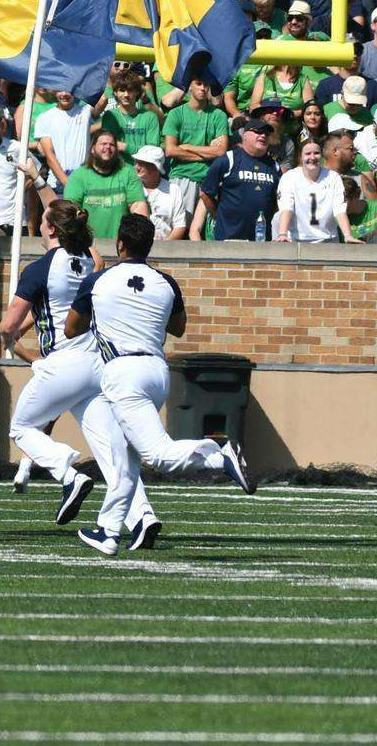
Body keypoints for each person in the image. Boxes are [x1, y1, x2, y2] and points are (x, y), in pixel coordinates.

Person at [69, 214, 255, 555]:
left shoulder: (98, 281)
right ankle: (109, 531)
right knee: (124, 457)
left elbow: (71, 329)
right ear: (150, 245)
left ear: (120, 244)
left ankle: (219, 455)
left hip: (123, 372)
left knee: (157, 454)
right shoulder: (166, 282)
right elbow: (179, 328)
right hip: (156, 371)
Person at [0, 200, 158, 539]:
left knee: (22, 427)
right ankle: (142, 517)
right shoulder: (90, 262)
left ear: (51, 229)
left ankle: (68, 474)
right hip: (97, 364)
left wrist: (8, 338)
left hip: (64, 363)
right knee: (110, 449)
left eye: (45, 222)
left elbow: (9, 323)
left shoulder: (40, 268)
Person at [199, 118, 281, 240]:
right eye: (258, 131)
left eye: (267, 133)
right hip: (229, 238)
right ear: (245, 135)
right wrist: (218, 216)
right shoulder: (228, 160)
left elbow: (278, 201)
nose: (263, 135)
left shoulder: (274, 166)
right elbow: (205, 193)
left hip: (261, 239)